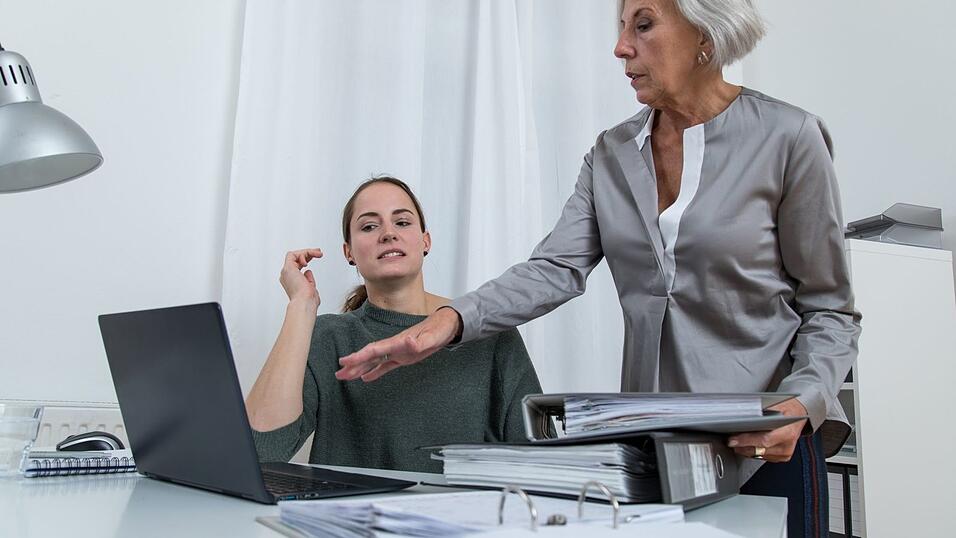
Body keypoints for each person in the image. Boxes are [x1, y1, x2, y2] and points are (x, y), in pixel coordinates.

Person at [336, 1, 861, 536]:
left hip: (764, 444)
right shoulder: (612, 154)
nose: (620, 47)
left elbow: (830, 309)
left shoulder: (788, 137)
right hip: (654, 452)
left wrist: (803, 404)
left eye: (644, 24)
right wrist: (444, 325)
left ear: (705, 32)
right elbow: (555, 267)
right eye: (621, 27)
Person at [245, 176, 545, 473]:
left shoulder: (488, 331)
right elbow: (259, 453)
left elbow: (542, 465)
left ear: (425, 241)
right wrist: (301, 306)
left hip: (463, 518)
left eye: (402, 222)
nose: (388, 233)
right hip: (354, 518)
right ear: (349, 252)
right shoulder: (328, 337)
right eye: (369, 226)